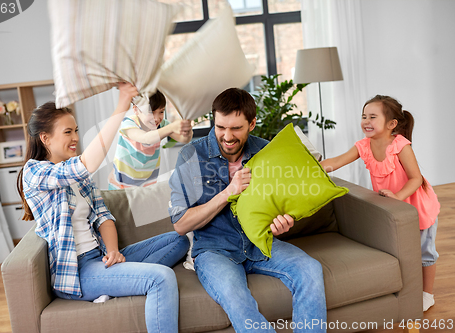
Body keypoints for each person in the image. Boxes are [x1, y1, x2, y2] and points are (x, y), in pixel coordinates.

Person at [17, 83, 189, 332]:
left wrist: (113, 252)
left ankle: (120, 280)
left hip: (101, 258)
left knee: (180, 239)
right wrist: (122, 104)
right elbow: (87, 163)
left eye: (75, 130)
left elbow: (103, 216)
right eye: (68, 132)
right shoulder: (34, 172)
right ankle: (124, 280)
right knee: (160, 279)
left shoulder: (78, 176)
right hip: (79, 271)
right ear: (45, 138)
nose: (75, 137)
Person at [168, 88, 327, 332]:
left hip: (259, 243)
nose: (227, 136)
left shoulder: (265, 152)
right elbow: (180, 224)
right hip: (215, 251)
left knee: (310, 268)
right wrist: (227, 193)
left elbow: (277, 204)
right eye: (220, 127)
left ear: (252, 124)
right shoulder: (191, 156)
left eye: (236, 128)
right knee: (236, 297)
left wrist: (281, 222)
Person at [320, 95, 440, 312]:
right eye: (364, 116)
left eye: (373, 117)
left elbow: (416, 178)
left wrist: (398, 196)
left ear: (391, 124)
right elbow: (335, 162)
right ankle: (409, 290)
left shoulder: (400, 145)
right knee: (402, 250)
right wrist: (310, 168)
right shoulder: (363, 146)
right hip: (393, 209)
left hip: (418, 205)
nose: (366, 121)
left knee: (425, 252)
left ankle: (427, 294)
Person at [108, 89, 193, 189]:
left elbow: (183, 139)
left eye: (161, 112)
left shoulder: (162, 124)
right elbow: (146, 138)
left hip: (146, 184)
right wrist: (171, 127)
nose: (156, 118)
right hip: (121, 185)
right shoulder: (129, 123)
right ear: (136, 110)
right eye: (151, 112)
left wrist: (187, 130)